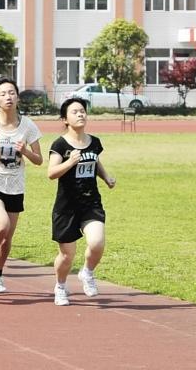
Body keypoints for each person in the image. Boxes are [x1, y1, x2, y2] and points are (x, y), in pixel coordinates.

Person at [48, 98, 116, 306]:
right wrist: (70, 161)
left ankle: (87, 272)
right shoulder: (60, 144)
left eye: (83, 111)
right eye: (75, 112)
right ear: (65, 119)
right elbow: (51, 173)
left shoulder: (94, 142)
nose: (80, 114)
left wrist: (106, 177)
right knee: (67, 256)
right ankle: (60, 285)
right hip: (66, 207)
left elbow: (95, 161)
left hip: (90, 202)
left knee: (96, 242)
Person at [0, 78, 43, 294]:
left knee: (7, 238)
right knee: (2, 224)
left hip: (15, 186)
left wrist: (25, 151)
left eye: (12, 92)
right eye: (3, 93)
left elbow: (39, 160)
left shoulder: (28, 125)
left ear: (17, 97)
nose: (8, 97)